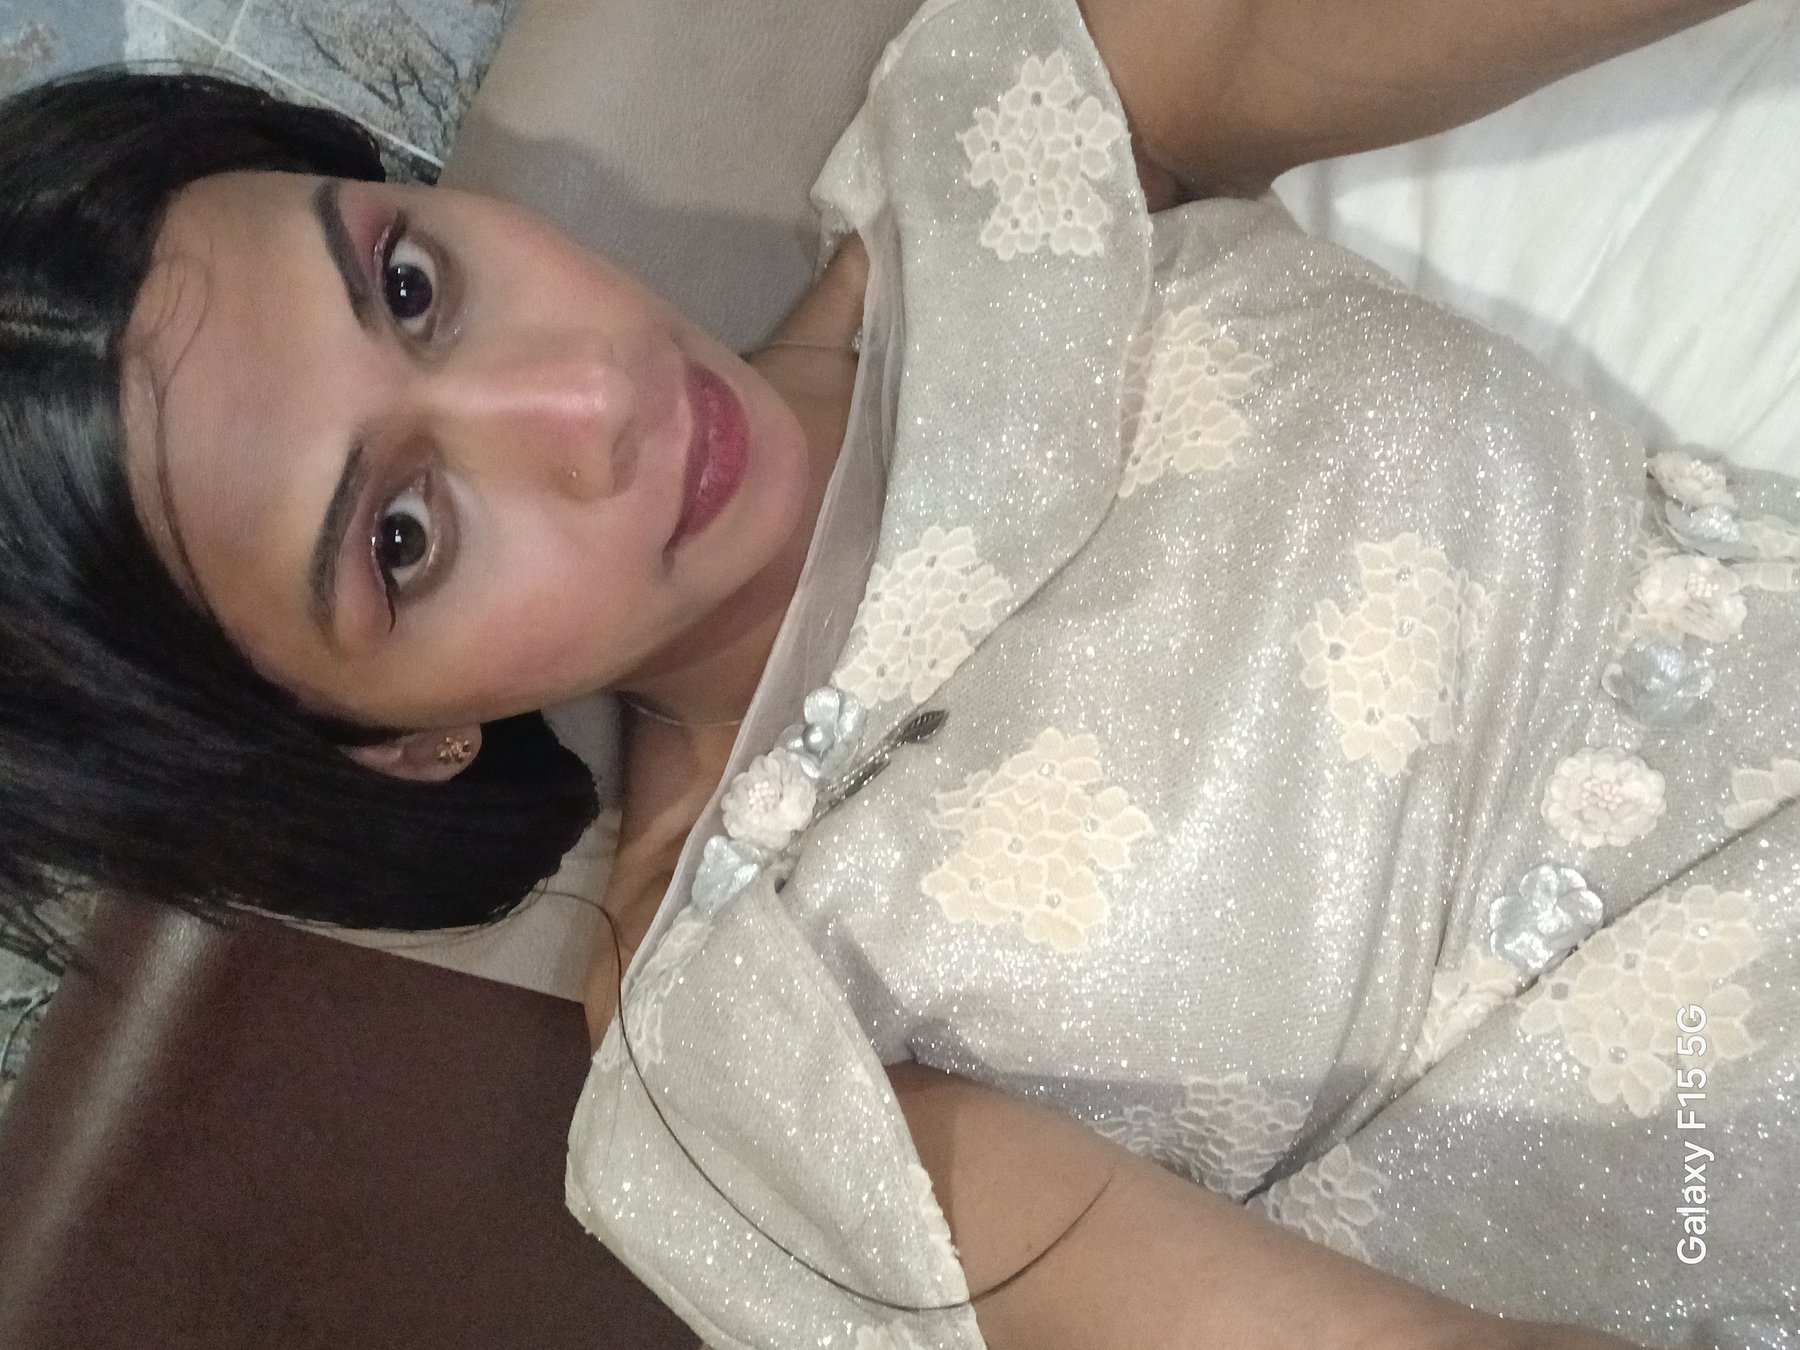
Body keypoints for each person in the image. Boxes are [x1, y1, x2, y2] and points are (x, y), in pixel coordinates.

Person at [0, 0, 1792, 1343]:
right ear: (389, 746)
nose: (586, 400)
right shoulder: (740, 1058)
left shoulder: (995, 146)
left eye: (408, 286)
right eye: (403, 534)